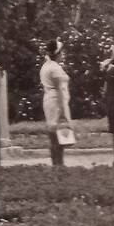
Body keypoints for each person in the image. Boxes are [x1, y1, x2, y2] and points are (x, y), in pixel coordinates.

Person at [40, 38, 72, 167]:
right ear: (57, 53)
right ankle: (58, 164)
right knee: (57, 132)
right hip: (56, 101)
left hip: (50, 99)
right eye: (62, 52)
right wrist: (63, 111)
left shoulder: (47, 66)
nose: (63, 55)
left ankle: (57, 163)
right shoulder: (54, 68)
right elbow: (59, 89)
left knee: (54, 132)